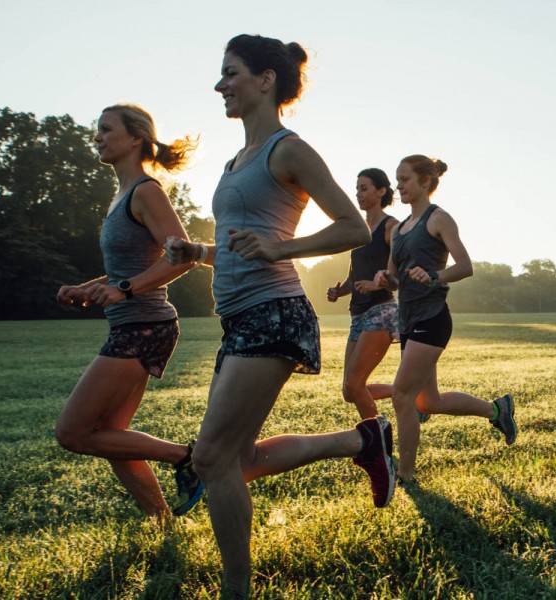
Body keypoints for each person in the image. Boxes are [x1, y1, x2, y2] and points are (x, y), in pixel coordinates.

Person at [163, 34, 394, 597]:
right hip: (240, 315)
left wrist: (279, 250)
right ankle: (360, 443)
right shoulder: (235, 159)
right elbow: (246, 243)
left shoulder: (288, 150)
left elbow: (353, 227)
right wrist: (199, 253)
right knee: (237, 459)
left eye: (230, 72)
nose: (220, 84)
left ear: (266, 80)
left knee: (212, 458)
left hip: (275, 310)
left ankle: (236, 590)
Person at [54, 103, 204, 520]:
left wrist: (123, 288)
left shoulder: (146, 191)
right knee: (112, 436)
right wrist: (92, 287)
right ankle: (162, 523)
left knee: (73, 432)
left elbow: (181, 256)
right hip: (134, 322)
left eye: (106, 129)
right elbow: (129, 267)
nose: (97, 136)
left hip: (145, 326)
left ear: (135, 137)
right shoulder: (120, 196)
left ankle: (186, 457)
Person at [372, 154, 517, 485]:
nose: (399, 186)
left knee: (402, 395)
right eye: (397, 180)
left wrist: (435, 276)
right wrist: (385, 279)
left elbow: (465, 266)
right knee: (428, 400)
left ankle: (405, 474)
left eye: (405, 179)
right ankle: (498, 411)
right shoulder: (398, 231)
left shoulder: (439, 220)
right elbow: (396, 279)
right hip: (408, 320)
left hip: (433, 318)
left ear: (425, 182)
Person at [326, 168, 399, 419]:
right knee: (349, 391)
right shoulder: (359, 229)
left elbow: (400, 274)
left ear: (381, 191)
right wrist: (339, 291)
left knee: (355, 385)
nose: (358, 194)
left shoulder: (391, 227)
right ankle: (405, 391)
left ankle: (377, 444)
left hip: (381, 311)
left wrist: (377, 284)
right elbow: (353, 278)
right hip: (357, 315)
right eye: (357, 188)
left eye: (364, 188)